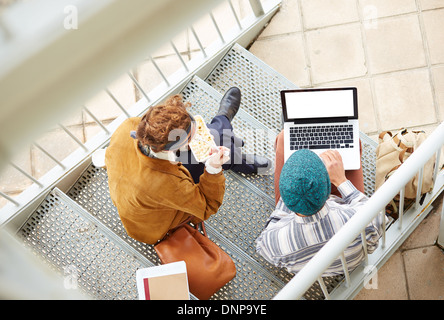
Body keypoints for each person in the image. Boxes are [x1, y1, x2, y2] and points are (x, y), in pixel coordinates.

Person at [105, 88, 271, 244]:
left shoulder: (128, 127)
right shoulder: (168, 184)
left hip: (136, 196)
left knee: (215, 137)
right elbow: (207, 206)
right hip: (156, 223)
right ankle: (226, 127)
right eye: (190, 139)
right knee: (218, 138)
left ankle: (229, 139)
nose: (197, 136)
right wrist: (213, 168)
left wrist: (188, 142)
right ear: (172, 147)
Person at [255, 135, 384, 276]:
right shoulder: (360, 219)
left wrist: (293, 192)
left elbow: (262, 245)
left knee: (283, 137)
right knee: (355, 141)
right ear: (328, 187)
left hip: (306, 263)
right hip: (350, 262)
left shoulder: (273, 242)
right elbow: (378, 219)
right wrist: (341, 180)